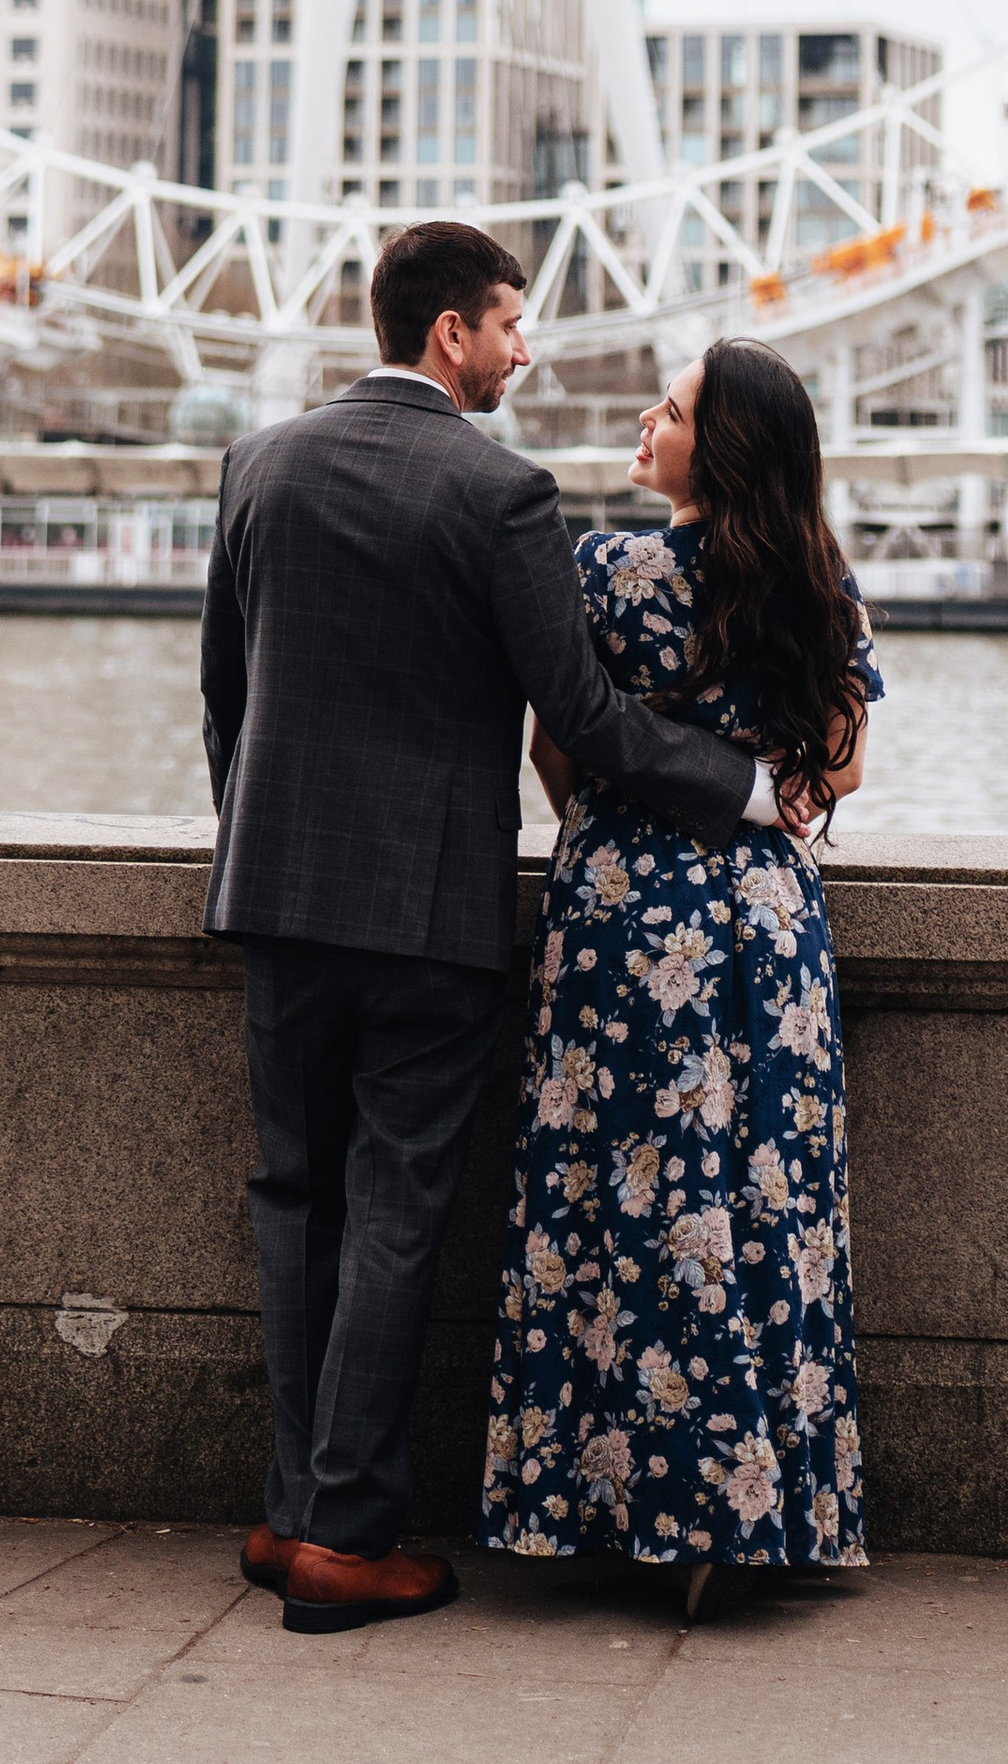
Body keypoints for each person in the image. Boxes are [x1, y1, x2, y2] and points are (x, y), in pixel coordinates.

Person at [201, 221, 800, 1639]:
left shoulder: (257, 463)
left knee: (296, 1200)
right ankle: (348, 1536)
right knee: (397, 1210)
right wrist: (748, 788)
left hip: (275, 896)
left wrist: (254, 844)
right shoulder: (500, 491)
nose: (526, 352)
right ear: (451, 333)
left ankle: (290, 1514)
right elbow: (581, 715)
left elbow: (226, 698)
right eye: (513, 326)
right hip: (425, 914)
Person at [480, 336, 883, 1612]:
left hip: (621, 915)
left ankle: (616, 1501)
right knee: (762, 1200)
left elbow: (554, 746)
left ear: (721, 452)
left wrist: (617, 824)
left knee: (618, 1204)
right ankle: (761, 1506)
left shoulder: (605, 570)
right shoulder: (818, 580)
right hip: (766, 925)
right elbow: (841, 763)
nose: (648, 420)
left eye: (672, 409)